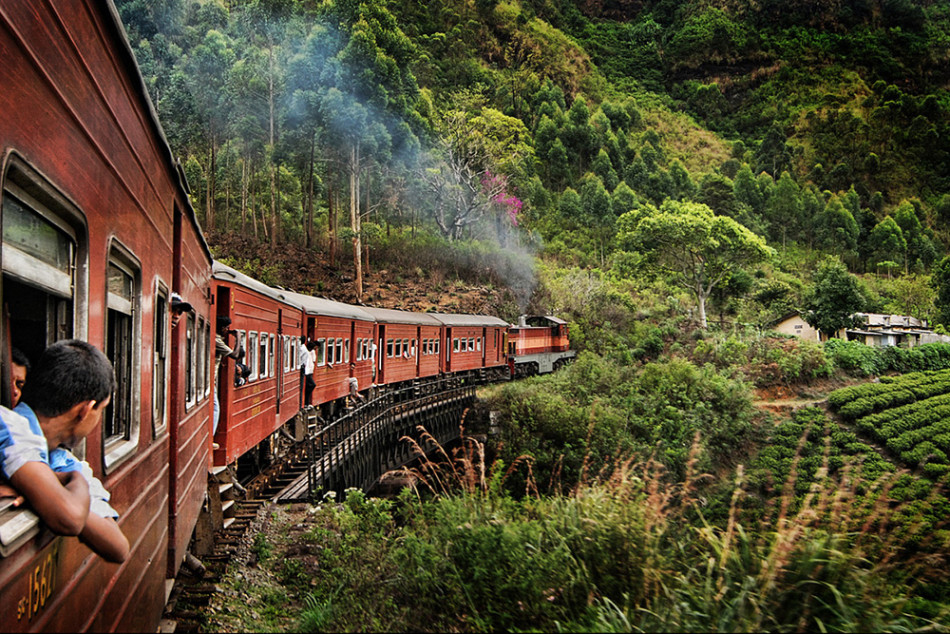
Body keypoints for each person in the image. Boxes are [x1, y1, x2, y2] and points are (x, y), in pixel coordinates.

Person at [0, 339, 129, 563]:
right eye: (101, 410)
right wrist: (67, 485)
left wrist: (46, 491)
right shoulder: (9, 426)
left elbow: (118, 548)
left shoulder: (62, 459)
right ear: (86, 409)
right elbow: (69, 518)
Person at [213, 317, 240, 439]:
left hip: (211, 379)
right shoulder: (216, 339)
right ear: (221, 327)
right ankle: (211, 438)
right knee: (215, 408)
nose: (227, 330)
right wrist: (238, 338)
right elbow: (235, 355)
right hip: (210, 380)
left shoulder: (218, 339)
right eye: (226, 328)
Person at [303, 339, 316, 407]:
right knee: (312, 385)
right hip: (307, 373)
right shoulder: (306, 353)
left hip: (309, 372)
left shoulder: (310, 352)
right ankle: (306, 401)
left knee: (311, 385)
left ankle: (307, 402)